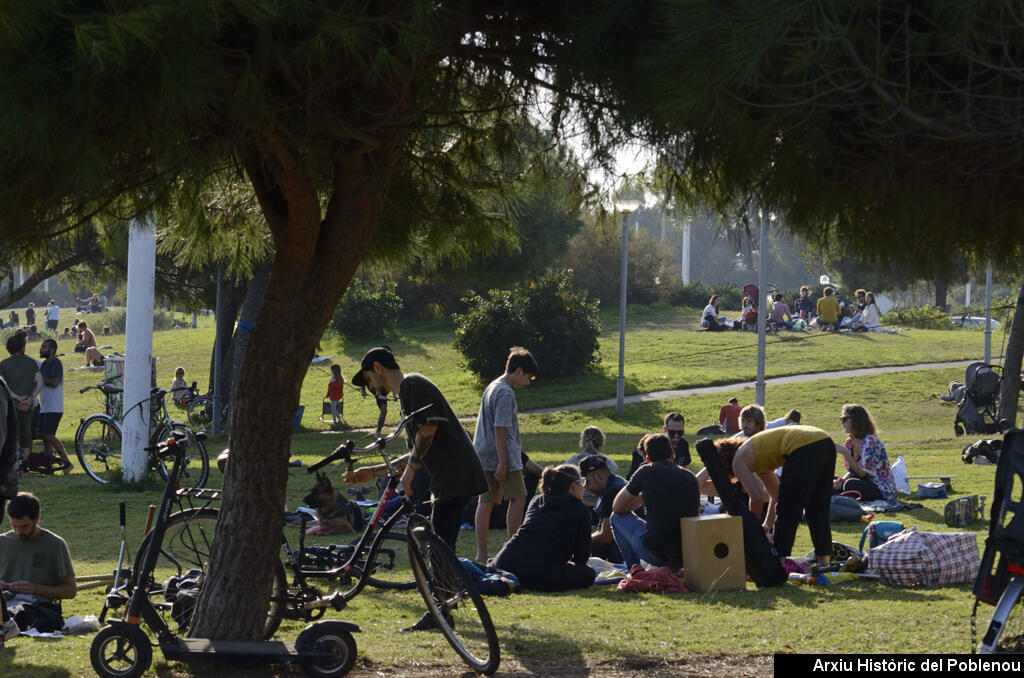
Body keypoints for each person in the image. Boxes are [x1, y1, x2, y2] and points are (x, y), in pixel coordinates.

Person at [347, 346, 487, 631]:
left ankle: (441, 613)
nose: (372, 388)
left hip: (455, 476)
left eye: (368, 380)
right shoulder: (407, 394)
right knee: (440, 545)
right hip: (449, 479)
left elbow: (429, 431)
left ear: (377, 367)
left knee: (438, 546)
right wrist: (371, 472)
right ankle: (444, 609)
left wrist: (408, 475)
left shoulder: (412, 384)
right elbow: (415, 453)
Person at [718, 425, 836, 565]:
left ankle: (777, 563)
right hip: (825, 441)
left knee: (788, 509)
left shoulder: (738, 461)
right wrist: (767, 525)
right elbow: (776, 495)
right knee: (817, 509)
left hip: (802, 446)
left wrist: (751, 531)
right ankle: (824, 563)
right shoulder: (758, 455)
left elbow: (756, 497)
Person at [472, 347, 538, 563]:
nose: (528, 382)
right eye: (528, 377)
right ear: (518, 370)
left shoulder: (492, 386)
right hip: (503, 454)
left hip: (483, 452)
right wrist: (503, 462)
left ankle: (482, 553)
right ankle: (514, 548)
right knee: (519, 497)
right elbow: (500, 428)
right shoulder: (505, 392)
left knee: (485, 502)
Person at [492, 464, 594, 591]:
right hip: (539, 572)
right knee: (588, 574)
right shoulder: (579, 509)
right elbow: (581, 557)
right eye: (582, 483)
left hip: (505, 563)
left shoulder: (537, 500)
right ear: (573, 486)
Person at [610, 433, 700, 569]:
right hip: (687, 553)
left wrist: (642, 497)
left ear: (647, 459)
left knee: (616, 518)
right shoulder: (690, 476)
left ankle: (634, 569)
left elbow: (617, 507)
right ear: (672, 454)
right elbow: (696, 513)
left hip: (657, 553)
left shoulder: (645, 471)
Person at [0, 493, 76, 633]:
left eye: (23, 527)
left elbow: (70, 590)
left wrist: (35, 589)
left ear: (37, 519)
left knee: (20, 612)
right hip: (4, 603)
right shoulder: (3, 542)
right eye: (14, 526)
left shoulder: (55, 544)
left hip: (37, 606)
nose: (18, 532)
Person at [835, 404, 896, 504]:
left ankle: (842, 498)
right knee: (832, 481)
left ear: (856, 420)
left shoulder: (870, 441)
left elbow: (862, 473)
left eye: (845, 419)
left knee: (850, 484)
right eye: (841, 419)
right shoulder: (849, 442)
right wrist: (840, 481)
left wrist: (844, 452)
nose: (842, 422)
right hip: (862, 482)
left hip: (879, 488)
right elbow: (853, 471)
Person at [0, 331, 41, 467]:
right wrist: (30, 398)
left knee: (13, 436)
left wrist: (16, 397)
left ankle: (14, 466)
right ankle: (26, 466)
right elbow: (40, 382)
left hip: (11, 405)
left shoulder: (3, 365)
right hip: (27, 405)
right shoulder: (31, 363)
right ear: (23, 347)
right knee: (26, 436)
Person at [579, 455, 625, 563]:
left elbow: (606, 536)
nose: (585, 487)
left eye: (586, 481)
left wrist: (578, 542)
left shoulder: (612, 492)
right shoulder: (616, 483)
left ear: (598, 475)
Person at [37, 339, 72, 474]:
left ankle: (66, 462)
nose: (41, 349)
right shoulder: (44, 364)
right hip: (45, 406)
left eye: (44, 347)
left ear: (52, 350)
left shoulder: (56, 363)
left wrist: (41, 380)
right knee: (45, 438)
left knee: (49, 435)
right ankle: (49, 465)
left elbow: (55, 382)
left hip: (54, 406)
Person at [625, 411, 691, 478]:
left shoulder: (683, 443)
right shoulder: (654, 445)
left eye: (680, 432)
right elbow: (635, 477)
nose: (676, 436)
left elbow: (685, 469)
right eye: (672, 432)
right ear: (665, 429)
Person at [566, 426, 620, 500]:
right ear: (601, 442)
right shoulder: (610, 464)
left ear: (582, 442)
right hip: (603, 504)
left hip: (577, 503)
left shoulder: (571, 462)